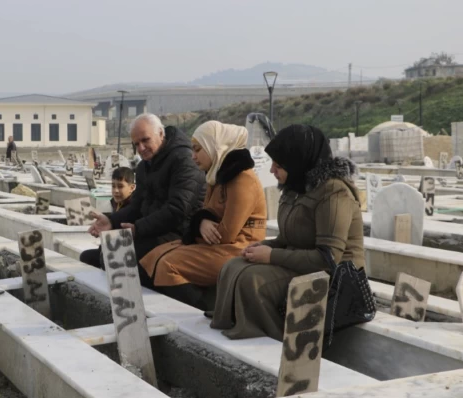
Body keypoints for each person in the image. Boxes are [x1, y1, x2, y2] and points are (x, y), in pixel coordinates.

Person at [210, 125, 364, 340]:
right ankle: (231, 321)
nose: (272, 170)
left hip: (334, 277)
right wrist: (265, 246)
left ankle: (269, 338)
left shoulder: (334, 192)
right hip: (303, 264)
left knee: (252, 278)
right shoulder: (296, 188)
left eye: (279, 165)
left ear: (298, 162)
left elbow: (328, 257)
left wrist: (271, 256)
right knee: (232, 265)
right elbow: (288, 238)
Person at [139, 121, 266, 308]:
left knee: (168, 264)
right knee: (150, 258)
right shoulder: (217, 176)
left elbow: (226, 234)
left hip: (239, 249)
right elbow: (206, 213)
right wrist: (201, 222)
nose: (193, 156)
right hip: (217, 245)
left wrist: (202, 222)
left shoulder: (242, 179)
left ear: (214, 147)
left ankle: (202, 312)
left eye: (198, 150)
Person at [87, 113, 205, 263]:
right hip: (151, 231)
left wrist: (138, 228)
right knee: (93, 257)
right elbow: (136, 206)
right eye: (136, 144)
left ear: (161, 134)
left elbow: (178, 209)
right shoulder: (144, 166)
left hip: (179, 234)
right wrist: (111, 220)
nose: (141, 148)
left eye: (145, 140)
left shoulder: (184, 160)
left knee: (114, 260)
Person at [80, 166, 136, 268]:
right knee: (86, 257)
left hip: (128, 253)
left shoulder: (133, 208)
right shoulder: (115, 203)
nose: (116, 190)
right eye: (113, 186)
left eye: (120, 186)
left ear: (132, 188)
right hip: (112, 248)